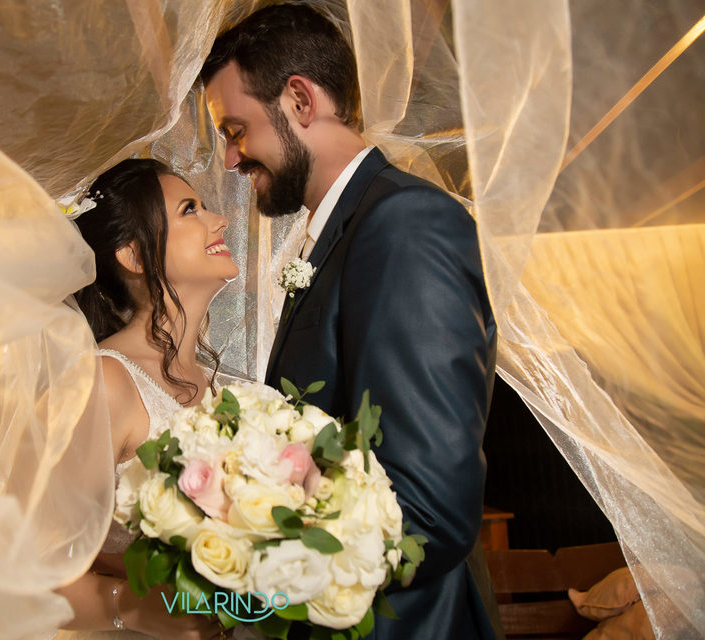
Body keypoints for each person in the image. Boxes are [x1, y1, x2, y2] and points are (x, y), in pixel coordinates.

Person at [201, 5, 499, 639]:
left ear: (300, 100)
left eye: (235, 128)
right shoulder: (342, 232)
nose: (231, 158)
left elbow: (428, 510)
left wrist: (253, 577)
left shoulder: (403, 226)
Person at [54, 158, 237, 640]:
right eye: (189, 210)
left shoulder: (233, 395)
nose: (219, 219)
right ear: (134, 256)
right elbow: (31, 575)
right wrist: (133, 610)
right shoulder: (105, 382)